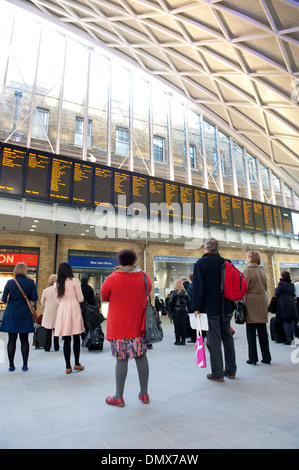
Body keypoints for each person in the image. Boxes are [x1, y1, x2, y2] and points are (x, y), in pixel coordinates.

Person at [100, 249, 152, 407]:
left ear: (120, 261)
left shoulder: (112, 278)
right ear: (134, 260)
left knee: (121, 359)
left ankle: (118, 397)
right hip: (139, 326)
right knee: (141, 357)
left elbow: (104, 296)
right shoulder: (144, 276)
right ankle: (144, 394)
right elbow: (148, 290)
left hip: (119, 327)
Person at [192, 237, 236, 382]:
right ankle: (230, 371)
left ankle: (217, 373)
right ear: (218, 249)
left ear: (206, 248)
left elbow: (199, 288)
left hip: (211, 308)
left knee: (214, 340)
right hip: (227, 306)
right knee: (228, 338)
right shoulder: (226, 262)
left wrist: (196, 307)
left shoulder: (201, 263)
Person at [0, 262, 38, 372]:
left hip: (11, 314)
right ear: (25, 270)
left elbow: (3, 299)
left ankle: (11, 365)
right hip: (25, 314)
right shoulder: (31, 282)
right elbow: (34, 297)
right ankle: (25, 365)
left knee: (11, 340)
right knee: (24, 340)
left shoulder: (10, 282)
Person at [54, 262, 85, 374]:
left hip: (63, 309)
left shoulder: (57, 284)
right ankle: (77, 363)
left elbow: (57, 300)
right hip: (74, 308)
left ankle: (68, 366)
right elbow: (80, 298)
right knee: (76, 336)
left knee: (66, 338)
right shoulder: (75, 281)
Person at [242, 250, 271, 365]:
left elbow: (244, 287)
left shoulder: (247, 271)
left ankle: (253, 358)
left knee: (251, 333)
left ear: (250, 258)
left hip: (251, 302)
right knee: (263, 332)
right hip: (262, 300)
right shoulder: (262, 271)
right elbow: (266, 287)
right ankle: (267, 357)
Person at [274, 271, 298, 345]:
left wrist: (276, 289)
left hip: (283, 303)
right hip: (291, 302)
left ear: (282, 277)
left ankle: (288, 338)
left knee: (285, 320)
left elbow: (277, 293)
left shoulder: (281, 284)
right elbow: (293, 293)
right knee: (291, 320)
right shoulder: (291, 284)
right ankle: (292, 337)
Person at [41, 274, 59, 352]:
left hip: (48, 312)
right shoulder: (60, 290)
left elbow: (42, 301)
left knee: (48, 330)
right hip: (57, 311)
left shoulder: (46, 290)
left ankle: (47, 346)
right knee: (56, 330)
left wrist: (47, 305)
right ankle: (56, 346)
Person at [169, 279, 191, 345]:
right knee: (183, 326)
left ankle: (177, 340)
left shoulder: (173, 293)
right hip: (183, 311)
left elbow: (170, 302)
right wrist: (187, 309)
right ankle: (183, 341)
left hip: (176, 311)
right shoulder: (185, 292)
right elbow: (189, 301)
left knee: (177, 326)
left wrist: (170, 310)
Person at [186, 273, 197, 343]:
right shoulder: (200, 285)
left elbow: (188, 298)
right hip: (200, 307)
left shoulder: (190, 287)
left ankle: (194, 338)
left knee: (193, 323)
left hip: (192, 308)